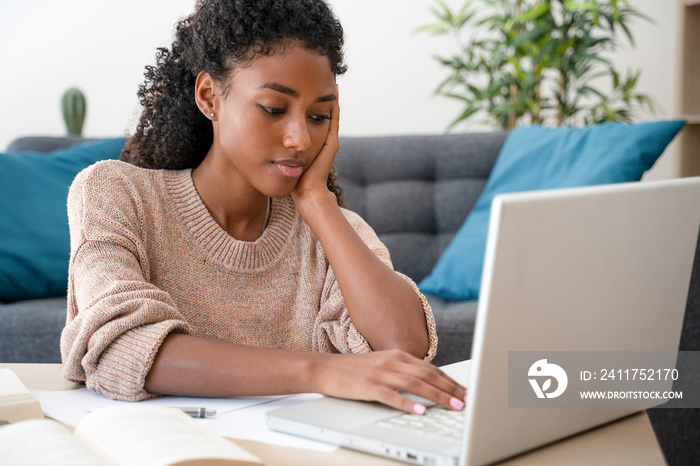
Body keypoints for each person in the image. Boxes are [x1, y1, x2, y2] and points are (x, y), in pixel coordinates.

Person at [60, 0, 466, 415]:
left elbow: (403, 348)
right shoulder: (116, 193)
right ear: (209, 96)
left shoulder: (334, 229)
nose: (301, 140)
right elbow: (121, 346)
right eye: (274, 109)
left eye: (319, 115)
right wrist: (318, 371)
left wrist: (317, 203)